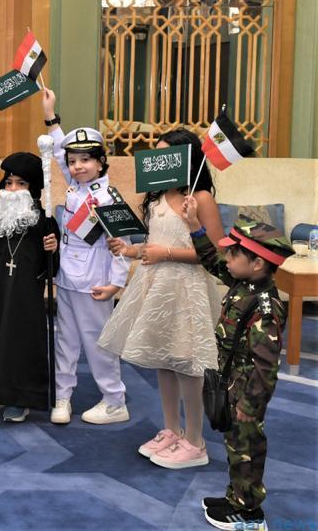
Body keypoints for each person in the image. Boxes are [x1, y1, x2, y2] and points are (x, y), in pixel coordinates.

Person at [98, 128, 223, 469]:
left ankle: (195, 441)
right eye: (155, 154)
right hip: (156, 287)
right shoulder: (155, 198)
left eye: (166, 153)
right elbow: (156, 243)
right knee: (164, 361)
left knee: (187, 363)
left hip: (185, 288)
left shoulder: (200, 198)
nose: (158, 160)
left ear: (185, 159)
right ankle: (172, 429)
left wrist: (166, 252)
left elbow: (213, 253)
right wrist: (131, 249)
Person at [179, 210, 293, 531]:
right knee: (235, 445)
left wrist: (249, 404)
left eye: (233, 254)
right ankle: (236, 498)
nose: (226, 259)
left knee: (247, 448)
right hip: (232, 382)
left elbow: (266, 365)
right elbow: (212, 260)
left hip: (246, 389)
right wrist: (195, 227)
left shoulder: (264, 307)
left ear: (257, 263)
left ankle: (249, 513)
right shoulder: (244, 282)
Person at [41, 90, 130, 425]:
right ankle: (62, 397)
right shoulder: (76, 186)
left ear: (101, 162)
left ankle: (114, 400)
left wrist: (115, 285)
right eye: (73, 161)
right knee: (65, 342)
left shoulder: (108, 197)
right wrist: (51, 117)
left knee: (98, 343)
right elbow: (59, 153)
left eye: (85, 160)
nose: (77, 166)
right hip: (66, 277)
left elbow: (121, 245)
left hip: (95, 282)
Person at [0, 152, 59, 423]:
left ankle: (21, 397)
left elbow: (52, 268)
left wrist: (52, 249)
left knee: (22, 340)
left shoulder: (44, 221)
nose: (12, 189)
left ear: (33, 188)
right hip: (0, 291)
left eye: (21, 184)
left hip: (27, 295)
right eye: (8, 183)